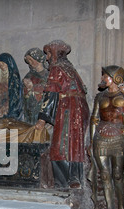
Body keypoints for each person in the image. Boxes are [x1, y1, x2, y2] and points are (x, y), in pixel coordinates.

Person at [89, 65, 124, 209]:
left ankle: (122, 208)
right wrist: (92, 142)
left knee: (118, 174)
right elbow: (94, 119)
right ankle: (110, 208)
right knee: (104, 174)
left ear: (115, 77)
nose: (102, 79)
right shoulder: (100, 97)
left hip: (118, 135)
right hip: (101, 137)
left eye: (105, 76)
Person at [35, 40, 90, 188]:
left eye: (48, 54)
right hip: (80, 108)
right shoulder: (70, 69)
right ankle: (74, 178)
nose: (47, 58)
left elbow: (51, 94)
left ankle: (63, 183)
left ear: (54, 53)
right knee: (75, 144)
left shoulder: (57, 69)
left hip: (68, 108)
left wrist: (42, 119)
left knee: (60, 146)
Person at [0, 53, 23, 120]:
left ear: (9, 64)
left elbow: (15, 95)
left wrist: (7, 108)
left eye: (3, 64)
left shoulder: (14, 77)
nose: (1, 66)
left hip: (9, 105)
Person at [22, 48, 49, 125]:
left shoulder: (48, 75)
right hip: (31, 109)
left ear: (37, 58)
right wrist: (27, 89)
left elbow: (50, 91)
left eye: (31, 60)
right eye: (28, 61)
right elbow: (24, 96)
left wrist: (33, 88)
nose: (30, 63)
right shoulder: (29, 75)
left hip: (43, 109)